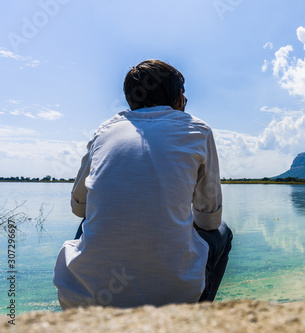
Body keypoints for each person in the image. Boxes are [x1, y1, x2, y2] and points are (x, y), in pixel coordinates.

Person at [53, 59, 232, 309]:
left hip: (84, 299)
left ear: (131, 100)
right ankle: (196, 314)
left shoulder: (104, 132)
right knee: (222, 231)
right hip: (174, 296)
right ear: (180, 97)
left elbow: (79, 207)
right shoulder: (197, 130)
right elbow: (209, 221)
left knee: (88, 221)